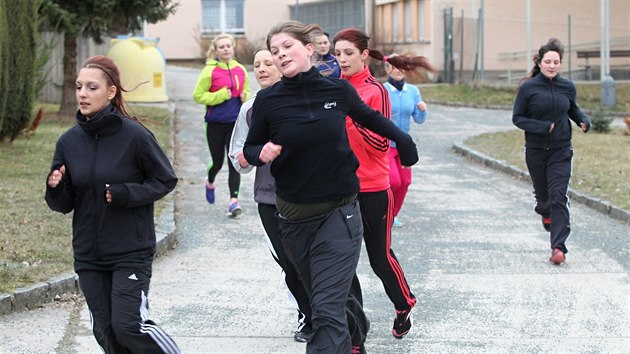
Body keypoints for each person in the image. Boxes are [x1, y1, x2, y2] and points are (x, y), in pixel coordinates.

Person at [243, 20, 419, 354]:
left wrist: (404, 140)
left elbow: (371, 119)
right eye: (275, 51)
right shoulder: (268, 101)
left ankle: (346, 340)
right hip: (294, 221)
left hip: (340, 213)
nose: (281, 55)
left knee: (324, 311)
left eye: (287, 47)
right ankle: (356, 331)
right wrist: (259, 152)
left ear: (308, 49)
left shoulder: (337, 91)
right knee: (325, 302)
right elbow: (250, 147)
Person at [44, 55, 180, 354]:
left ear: (110, 92)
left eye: (91, 87)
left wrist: (124, 194)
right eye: (79, 87)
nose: (82, 93)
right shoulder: (68, 142)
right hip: (89, 253)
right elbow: (63, 204)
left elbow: (165, 179)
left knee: (128, 325)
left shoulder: (135, 136)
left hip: (130, 250)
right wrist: (55, 187)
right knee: (105, 331)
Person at [333, 28, 433, 340]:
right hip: (339, 188)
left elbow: (380, 143)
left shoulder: (376, 91)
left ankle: (404, 304)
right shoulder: (333, 88)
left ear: (364, 55)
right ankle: (348, 323)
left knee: (379, 258)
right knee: (337, 258)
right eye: (338, 53)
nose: (342, 59)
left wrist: (350, 117)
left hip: (373, 186)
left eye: (348, 53)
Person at [228, 48, 313, 343]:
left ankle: (328, 313)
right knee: (288, 261)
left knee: (311, 260)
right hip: (269, 197)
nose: (262, 68)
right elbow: (236, 153)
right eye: (257, 64)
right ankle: (307, 315)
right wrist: (246, 158)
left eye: (269, 62)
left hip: (307, 196)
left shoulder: (304, 102)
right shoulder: (249, 109)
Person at [512, 38, 591, 265]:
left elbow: (573, 109)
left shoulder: (567, 87)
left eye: (556, 62)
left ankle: (558, 248)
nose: (552, 65)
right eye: (548, 61)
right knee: (545, 198)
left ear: (560, 63)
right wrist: (542, 127)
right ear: (541, 62)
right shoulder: (528, 88)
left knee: (558, 197)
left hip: (561, 149)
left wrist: (583, 120)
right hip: (536, 151)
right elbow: (517, 118)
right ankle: (545, 212)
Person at [193, 33, 250, 217]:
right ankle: (210, 182)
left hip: (235, 123)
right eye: (222, 46)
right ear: (216, 50)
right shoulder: (209, 71)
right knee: (217, 162)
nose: (226, 49)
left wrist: (245, 96)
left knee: (234, 162)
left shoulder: (241, 69)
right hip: (215, 123)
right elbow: (198, 95)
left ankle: (234, 202)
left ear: (233, 47)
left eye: (228, 45)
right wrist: (219, 96)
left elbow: (246, 90)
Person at [383, 53, 429, 227]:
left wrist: (422, 110)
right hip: (386, 144)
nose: (398, 70)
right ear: (387, 69)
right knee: (393, 181)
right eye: (394, 67)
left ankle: (392, 215)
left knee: (405, 182)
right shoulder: (382, 90)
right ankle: (383, 212)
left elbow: (419, 119)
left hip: (404, 145)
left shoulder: (413, 91)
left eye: (401, 67)